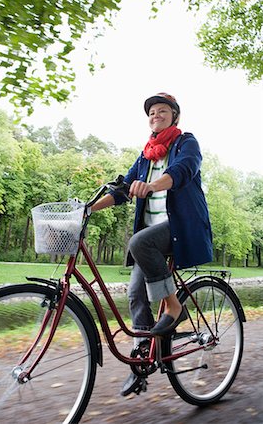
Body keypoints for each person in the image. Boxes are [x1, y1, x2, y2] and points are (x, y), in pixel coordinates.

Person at [91, 92, 213, 396]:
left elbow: (184, 170)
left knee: (139, 242)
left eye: (162, 110)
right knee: (135, 293)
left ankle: (174, 306)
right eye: (151, 112)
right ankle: (142, 362)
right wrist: (89, 208)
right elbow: (123, 190)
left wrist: (152, 186)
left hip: (181, 227)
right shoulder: (146, 155)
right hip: (149, 235)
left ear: (174, 116)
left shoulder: (186, 143)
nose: (155, 115)